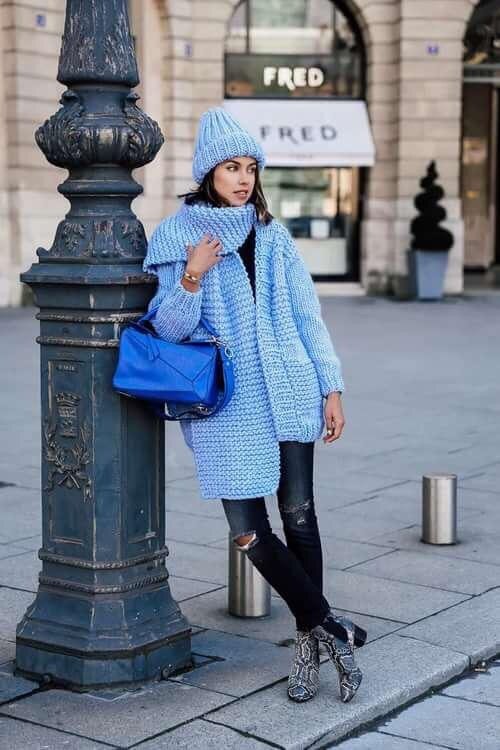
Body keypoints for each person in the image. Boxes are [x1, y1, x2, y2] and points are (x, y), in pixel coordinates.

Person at [142, 107, 367, 704]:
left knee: (300, 517)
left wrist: (331, 386)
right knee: (248, 533)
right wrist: (192, 276)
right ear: (207, 172)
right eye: (230, 167)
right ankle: (331, 627)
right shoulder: (176, 237)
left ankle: (309, 646)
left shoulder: (273, 236)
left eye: (250, 167)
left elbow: (306, 315)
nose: (243, 178)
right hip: (226, 407)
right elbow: (168, 330)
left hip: (290, 388)